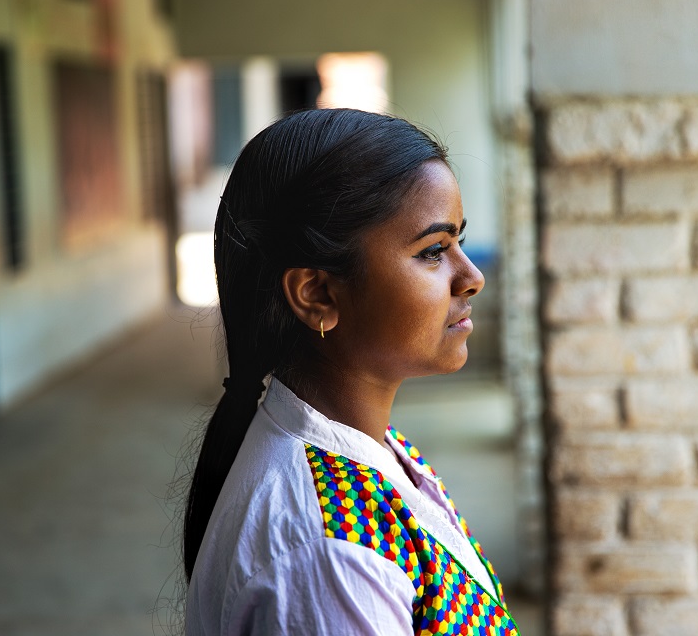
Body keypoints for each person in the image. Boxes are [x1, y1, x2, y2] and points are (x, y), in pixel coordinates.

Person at [181, 108, 521, 635]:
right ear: (316, 293)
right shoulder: (328, 555)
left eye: (459, 241)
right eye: (433, 252)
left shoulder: (372, 447)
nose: (471, 276)